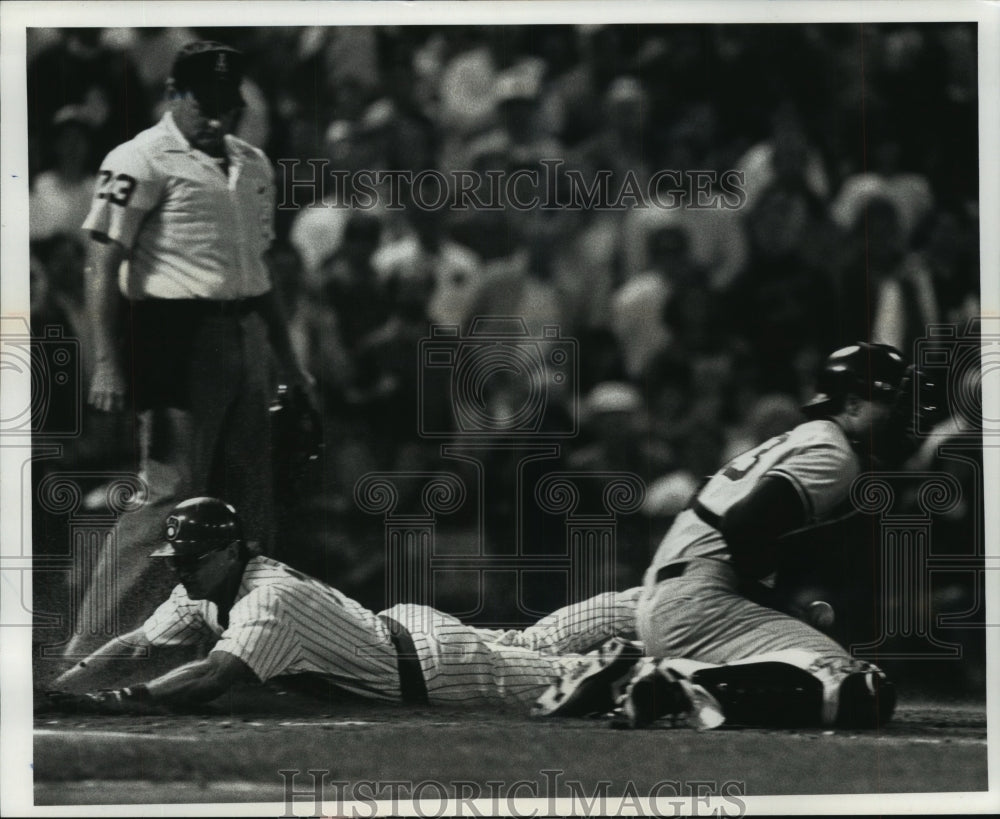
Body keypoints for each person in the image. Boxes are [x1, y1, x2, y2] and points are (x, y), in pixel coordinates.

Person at [537, 342, 943, 730]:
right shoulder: (835, 453)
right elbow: (744, 526)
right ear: (852, 404)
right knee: (860, 687)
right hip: (702, 599)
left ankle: (631, 673)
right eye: (892, 405)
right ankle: (675, 684)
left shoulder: (806, 437)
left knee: (806, 666)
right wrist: (772, 601)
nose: (904, 421)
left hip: (675, 592)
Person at [67, 41, 312, 658]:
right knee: (170, 492)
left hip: (244, 328)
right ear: (174, 92)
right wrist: (106, 358)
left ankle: (249, 645)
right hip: (171, 334)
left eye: (227, 103)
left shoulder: (252, 162)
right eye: (204, 101)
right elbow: (102, 263)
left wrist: (290, 363)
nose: (217, 115)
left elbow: (261, 271)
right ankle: (91, 646)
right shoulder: (140, 157)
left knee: (250, 498)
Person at [46, 498, 641, 712]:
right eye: (175, 559)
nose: (178, 569)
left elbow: (212, 677)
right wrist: (68, 685)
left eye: (190, 558)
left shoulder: (267, 600)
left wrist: (114, 701)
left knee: (579, 683)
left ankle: (698, 661)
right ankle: (657, 602)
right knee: (537, 641)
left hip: (436, 671)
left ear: (229, 552)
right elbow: (138, 644)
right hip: (408, 635)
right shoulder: (207, 585)